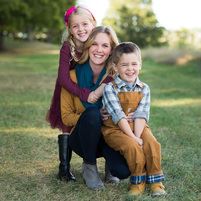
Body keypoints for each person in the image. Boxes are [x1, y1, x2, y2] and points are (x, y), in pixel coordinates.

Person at [60, 26, 131, 190]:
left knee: (123, 171)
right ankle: (89, 167)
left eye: (105, 46)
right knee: (92, 114)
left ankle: (109, 167)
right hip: (81, 138)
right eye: (94, 44)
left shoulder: (117, 78)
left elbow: (129, 108)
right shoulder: (71, 77)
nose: (99, 50)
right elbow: (66, 117)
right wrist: (95, 115)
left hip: (108, 136)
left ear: (112, 50)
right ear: (88, 46)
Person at [46, 5, 104, 182]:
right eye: (75, 26)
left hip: (91, 86)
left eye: (85, 24)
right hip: (69, 88)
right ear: (69, 29)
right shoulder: (67, 47)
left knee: (96, 117)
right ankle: (64, 168)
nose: (81, 29)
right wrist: (84, 94)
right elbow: (63, 79)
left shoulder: (97, 43)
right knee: (66, 122)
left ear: (93, 23)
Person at [102, 42, 166, 196]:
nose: (130, 69)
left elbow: (141, 114)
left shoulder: (144, 88)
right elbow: (118, 116)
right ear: (116, 67)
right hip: (115, 128)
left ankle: (156, 181)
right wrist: (133, 138)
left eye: (134, 64)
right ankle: (138, 181)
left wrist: (138, 136)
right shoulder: (111, 88)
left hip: (138, 125)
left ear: (140, 65)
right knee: (132, 146)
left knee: (152, 144)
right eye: (124, 65)